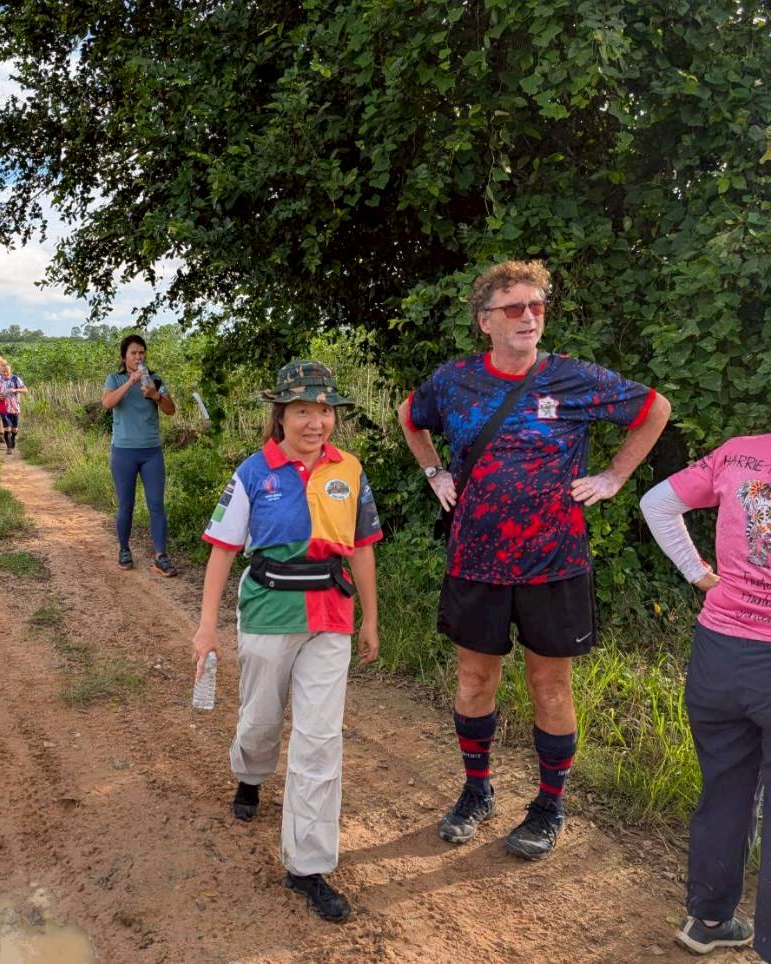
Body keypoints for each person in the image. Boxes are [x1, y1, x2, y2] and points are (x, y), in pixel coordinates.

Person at [397, 259, 670, 860]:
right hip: (475, 560)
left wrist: (613, 476)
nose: (529, 316)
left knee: (550, 687)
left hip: (555, 562)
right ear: (485, 321)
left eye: (537, 305)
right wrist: (434, 472)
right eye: (515, 307)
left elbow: (654, 409)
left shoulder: (575, 378)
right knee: (475, 680)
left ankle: (548, 806)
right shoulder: (454, 381)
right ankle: (476, 792)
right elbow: (409, 416)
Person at [192, 360, 381, 923]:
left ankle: (308, 866)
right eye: (302, 410)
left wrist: (371, 618)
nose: (315, 422)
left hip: (331, 615)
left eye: (324, 410)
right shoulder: (255, 472)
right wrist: (206, 627)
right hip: (269, 613)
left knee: (320, 740)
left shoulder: (350, 469)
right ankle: (250, 776)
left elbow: (363, 547)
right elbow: (222, 550)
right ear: (281, 415)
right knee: (260, 720)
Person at [640, 434, 770, 957]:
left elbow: (657, 503)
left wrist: (699, 575)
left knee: (725, 790)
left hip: (719, 655)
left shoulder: (737, 453)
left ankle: (710, 919)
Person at [101, 334, 177, 576]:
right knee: (126, 504)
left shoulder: (155, 379)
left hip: (151, 451)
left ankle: (161, 557)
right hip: (124, 452)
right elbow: (107, 403)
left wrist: (156, 395)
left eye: (141, 352)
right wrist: (130, 382)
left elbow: (171, 410)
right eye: (133, 353)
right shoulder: (114, 379)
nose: (138, 357)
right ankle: (124, 549)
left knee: (156, 504)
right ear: (124, 357)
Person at [0, 362, 28, 454]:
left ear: (10, 371)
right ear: (0, 371)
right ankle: (9, 447)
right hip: (3, 407)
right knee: (7, 428)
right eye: (3, 371)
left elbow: (25, 390)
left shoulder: (16, 379)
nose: (5, 373)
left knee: (15, 429)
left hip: (15, 407)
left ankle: (13, 438)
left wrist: (15, 390)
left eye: (7, 371)